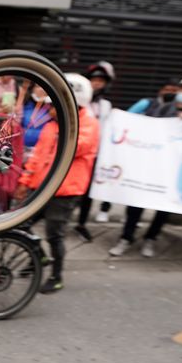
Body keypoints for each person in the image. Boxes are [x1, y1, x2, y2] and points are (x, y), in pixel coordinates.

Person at [109, 73, 182, 258]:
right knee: (136, 203)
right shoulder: (164, 107)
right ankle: (126, 237)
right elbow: (149, 128)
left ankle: (151, 238)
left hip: (176, 170)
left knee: (164, 207)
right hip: (152, 165)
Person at [15, 73, 100, 293]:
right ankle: (39, 259)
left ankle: (57, 275)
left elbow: (78, 147)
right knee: (21, 225)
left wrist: (66, 124)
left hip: (66, 190)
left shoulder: (89, 124)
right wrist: (25, 180)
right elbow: (36, 157)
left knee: (54, 233)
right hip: (41, 187)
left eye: (54, 105)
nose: (49, 109)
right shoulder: (50, 125)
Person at [74, 60, 115, 240]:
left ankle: (81, 223)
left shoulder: (105, 105)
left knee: (88, 191)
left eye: (101, 80)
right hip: (76, 151)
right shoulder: (79, 101)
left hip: (94, 154)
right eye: (94, 79)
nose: (97, 83)